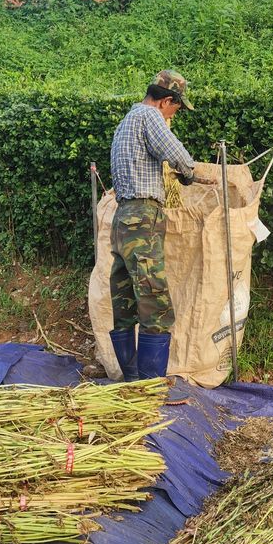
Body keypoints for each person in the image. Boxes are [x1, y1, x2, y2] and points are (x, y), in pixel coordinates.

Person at [108, 69, 200, 381]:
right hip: (143, 217)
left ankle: (132, 381)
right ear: (166, 102)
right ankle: (150, 387)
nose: (176, 114)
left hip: (122, 220)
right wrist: (190, 172)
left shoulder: (125, 122)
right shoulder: (149, 117)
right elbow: (175, 153)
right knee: (155, 300)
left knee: (124, 302)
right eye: (177, 108)